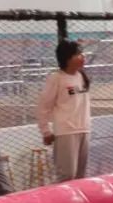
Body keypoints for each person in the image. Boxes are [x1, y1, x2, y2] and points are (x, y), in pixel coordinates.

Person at [36, 40, 92, 182]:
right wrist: (46, 131)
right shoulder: (56, 78)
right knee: (67, 175)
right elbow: (44, 106)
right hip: (66, 132)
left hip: (84, 130)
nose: (83, 57)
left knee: (80, 176)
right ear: (67, 58)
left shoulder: (81, 76)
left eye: (82, 53)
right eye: (78, 54)